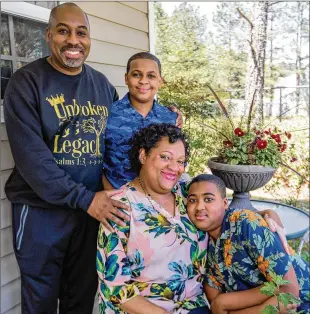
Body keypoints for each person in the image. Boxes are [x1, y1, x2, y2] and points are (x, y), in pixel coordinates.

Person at [3, 3, 130, 313]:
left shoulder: (101, 85)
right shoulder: (26, 83)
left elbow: (121, 140)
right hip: (41, 213)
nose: (73, 40)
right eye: (63, 31)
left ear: (89, 39)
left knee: (81, 295)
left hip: (91, 212)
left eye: (81, 32)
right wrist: (86, 199)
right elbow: (34, 161)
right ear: (48, 36)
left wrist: (164, 125)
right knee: (41, 300)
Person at [97, 124, 211, 314]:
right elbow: (115, 289)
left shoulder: (189, 195)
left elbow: (221, 212)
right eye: (165, 157)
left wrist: (264, 215)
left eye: (181, 161)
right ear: (143, 156)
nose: (174, 167)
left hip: (192, 307)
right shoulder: (119, 206)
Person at [186, 174, 310, 314]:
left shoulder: (246, 225)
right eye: (192, 200)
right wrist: (222, 303)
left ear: (225, 203)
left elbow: (289, 294)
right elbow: (216, 302)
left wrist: (224, 304)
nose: (199, 207)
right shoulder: (202, 241)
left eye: (208, 199)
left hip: (301, 301)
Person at [102, 52, 180, 190]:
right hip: (116, 199)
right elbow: (95, 162)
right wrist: (112, 195)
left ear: (160, 81)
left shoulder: (170, 118)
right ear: (126, 78)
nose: (143, 81)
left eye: (151, 76)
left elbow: (176, 160)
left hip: (158, 199)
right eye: (136, 74)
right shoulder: (107, 114)